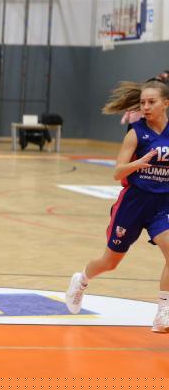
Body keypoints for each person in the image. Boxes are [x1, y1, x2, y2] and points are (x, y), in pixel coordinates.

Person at [65, 79, 169, 334]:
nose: (145, 107)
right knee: (110, 262)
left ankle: (163, 312)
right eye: (142, 103)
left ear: (166, 103)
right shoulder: (136, 133)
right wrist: (138, 164)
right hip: (133, 205)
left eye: (151, 102)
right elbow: (117, 172)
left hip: (162, 205)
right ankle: (81, 280)